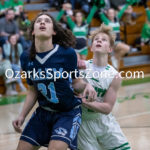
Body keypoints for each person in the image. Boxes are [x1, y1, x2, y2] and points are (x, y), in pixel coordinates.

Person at [12, 12, 97, 150]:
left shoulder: (67, 53)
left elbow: (76, 82)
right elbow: (33, 90)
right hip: (43, 113)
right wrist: (22, 116)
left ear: (54, 31)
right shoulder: (26, 57)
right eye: (39, 21)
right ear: (33, 31)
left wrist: (88, 85)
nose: (43, 23)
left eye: (47, 21)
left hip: (67, 113)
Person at [78, 24, 132, 150]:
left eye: (104, 39)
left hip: (104, 120)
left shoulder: (115, 76)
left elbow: (107, 107)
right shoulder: (81, 67)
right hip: (82, 124)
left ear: (110, 49)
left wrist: (85, 102)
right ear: (91, 47)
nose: (99, 41)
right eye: (96, 39)